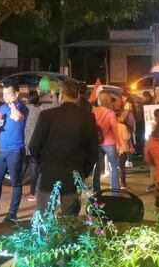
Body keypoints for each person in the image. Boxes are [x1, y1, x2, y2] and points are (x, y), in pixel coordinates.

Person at [29, 80, 99, 216]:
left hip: (48, 174)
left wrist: (42, 163)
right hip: (74, 175)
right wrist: (84, 171)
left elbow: (33, 146)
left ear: (61, 94)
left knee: (44, 217)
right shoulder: (88, 118)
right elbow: (93, 151)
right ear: (78, 96)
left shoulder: (46, 116)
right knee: (70, 219)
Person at [0, 84, 29, 222]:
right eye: (4, 94)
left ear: (16, 94)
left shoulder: (21, 107)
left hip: (15, 149)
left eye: (8, 94)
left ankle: (12, 212)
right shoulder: (2, 108)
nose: (5, 97)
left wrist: (12, 104)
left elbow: (18, 117)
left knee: (15, 182)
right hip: (1, 149)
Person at [92, 91, 122, 191]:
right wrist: (119, 143)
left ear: (99, 100)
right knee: (113, 167)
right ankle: (115, 191)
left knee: (97, 166)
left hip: (97, 142)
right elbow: (114, 130)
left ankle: (96, 190)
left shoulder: (94, 111)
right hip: (109, 143)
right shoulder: (110, 113)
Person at [117, 91, 136, 189]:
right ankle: (129, 159)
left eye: (122, 97)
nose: (121, 99)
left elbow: (123, 116)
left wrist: (118, 119)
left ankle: (130, 159)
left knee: (129, 142)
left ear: (126, 97)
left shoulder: (127, 104)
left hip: (127, 127)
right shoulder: (128, 104)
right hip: (127, 128)